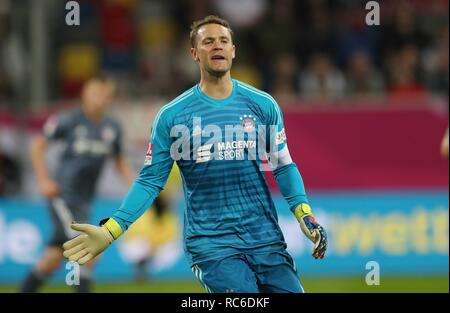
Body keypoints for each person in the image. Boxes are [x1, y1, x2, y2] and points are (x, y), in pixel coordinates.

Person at [63, 15, 327, 293]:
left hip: (265, 239)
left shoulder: (263, 105)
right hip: (212, 246)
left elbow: (283, 166)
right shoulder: (173, 116)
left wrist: (304, 214)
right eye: (208, 41)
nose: (217, 46)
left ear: (233, 51)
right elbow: (150, 181)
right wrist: (111, 229)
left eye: (224, 41)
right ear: (194, 53)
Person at [20, 74, 135, 293]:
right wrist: (44, 181)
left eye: (105, 94)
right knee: (89, 251)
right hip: (63, 197)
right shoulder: (69, 120)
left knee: (52, 260)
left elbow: (119, 161)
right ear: (84, 94)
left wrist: (137, 188)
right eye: (95, 92)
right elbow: (37, 145)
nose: (100, 98)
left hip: (84, 201)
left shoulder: (112, 127)